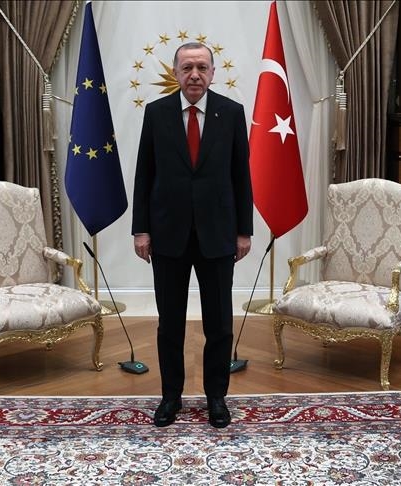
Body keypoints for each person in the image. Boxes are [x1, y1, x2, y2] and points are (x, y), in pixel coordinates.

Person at [132, 42, 253, 428]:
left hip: (218, 234)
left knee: (219, 323)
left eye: (202, 67)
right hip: (168, 234)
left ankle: (216, 397)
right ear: (176, 73)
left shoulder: (231, 113)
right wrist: (141, 229)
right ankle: (171, 396)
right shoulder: (157, 113)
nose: (195, 74)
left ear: (213, 73)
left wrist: (244, 231)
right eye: (187, 67)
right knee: (170, 323)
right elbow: (144, 174)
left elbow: (241, 176)